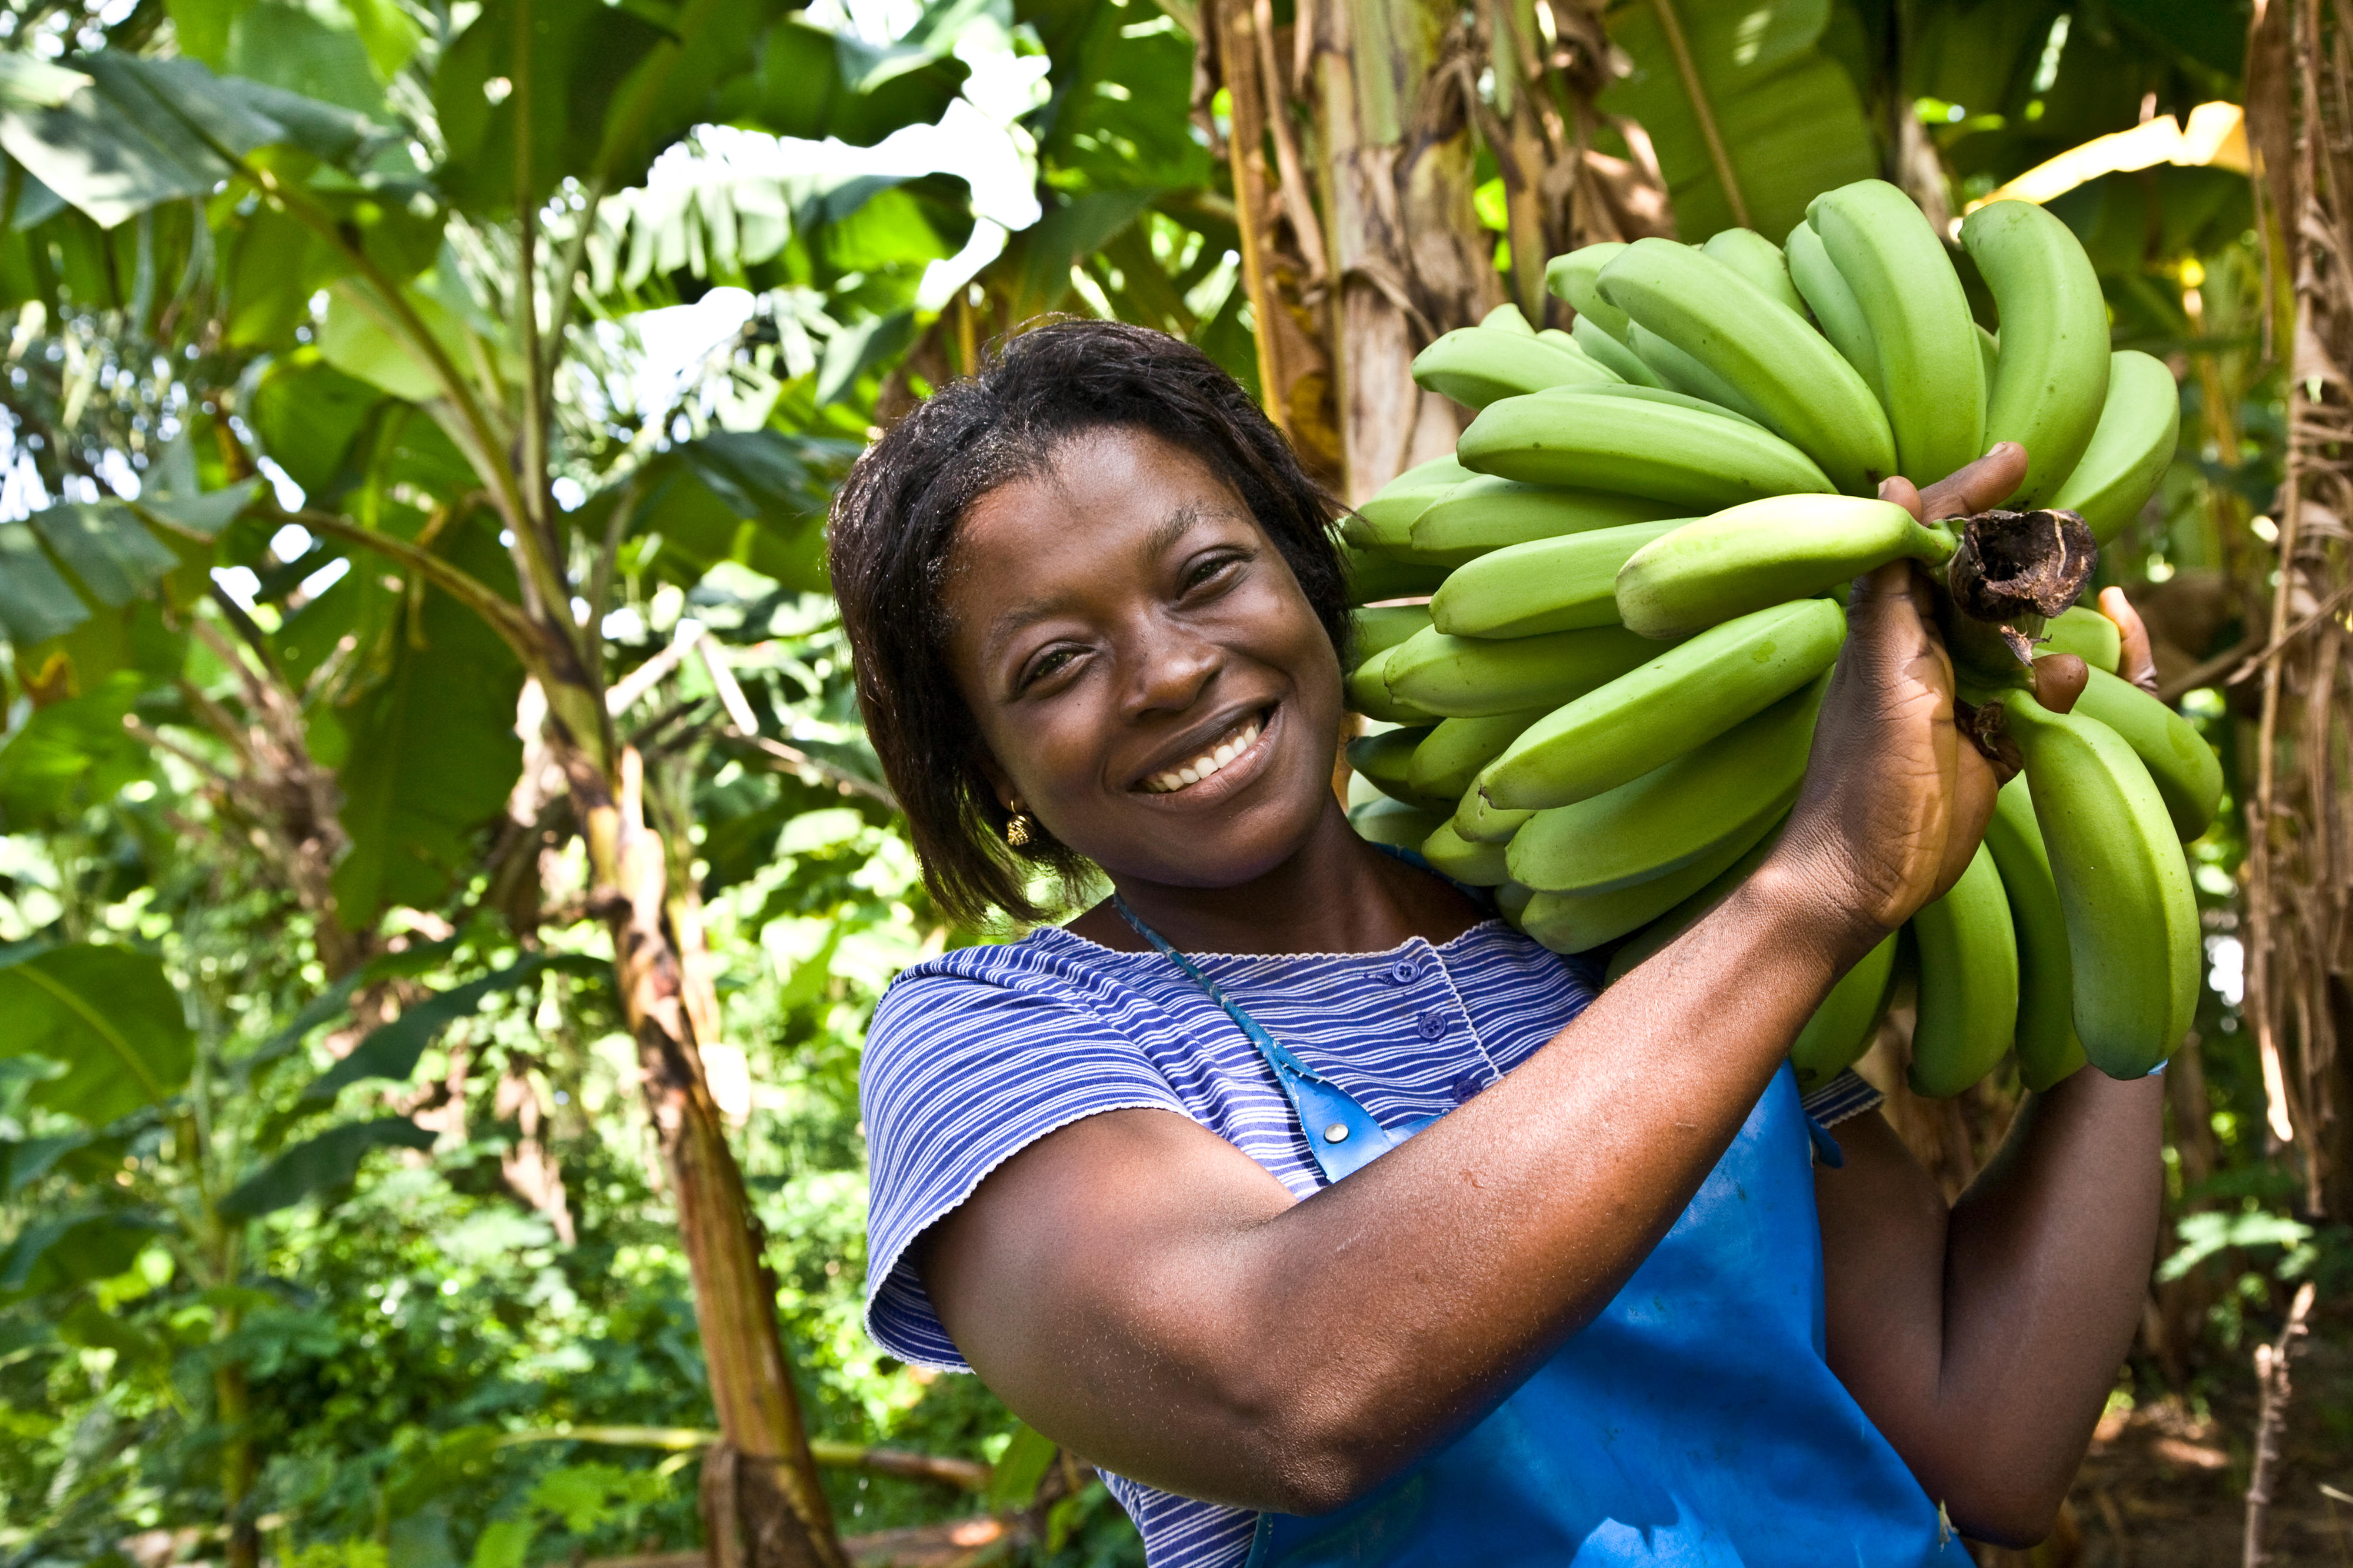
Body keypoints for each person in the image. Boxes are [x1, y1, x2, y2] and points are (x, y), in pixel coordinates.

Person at [828, 318, 2165, 1567]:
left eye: (1207, 576)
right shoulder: (1004, 1036)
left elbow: (1987, 1438)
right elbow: (1292, 1393)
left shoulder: (1610, 906)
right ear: (991, 775)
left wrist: (2116, 858)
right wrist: (1813, 889)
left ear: (1305, 580)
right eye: (1052, 664)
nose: (1169, 671)